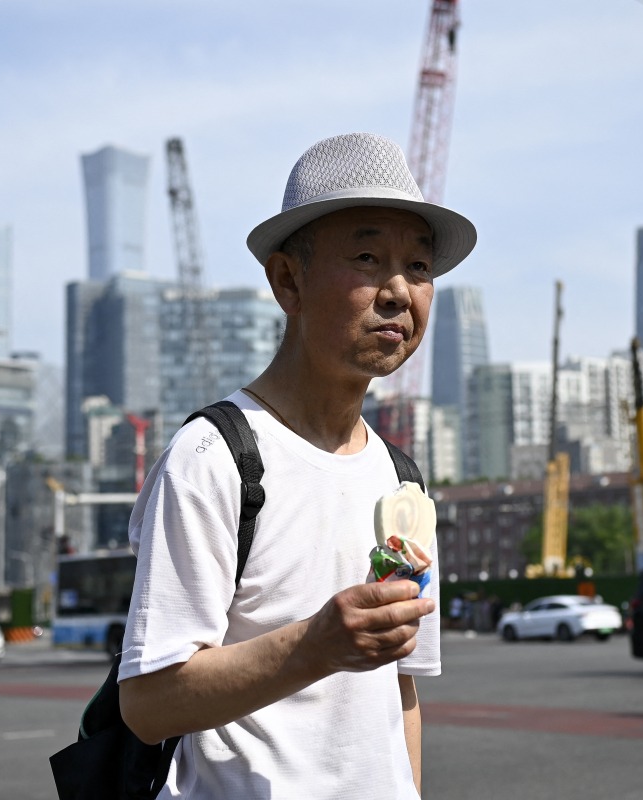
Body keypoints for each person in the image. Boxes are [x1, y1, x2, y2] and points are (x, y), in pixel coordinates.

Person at [118, 132, 476, 799]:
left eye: (420, 267)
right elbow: (147, 705)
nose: (400, 291)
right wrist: (315, 646)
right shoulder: (214, 456)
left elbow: (399, 693)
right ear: (289, 279)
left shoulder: (402, 482)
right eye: (368, 258)